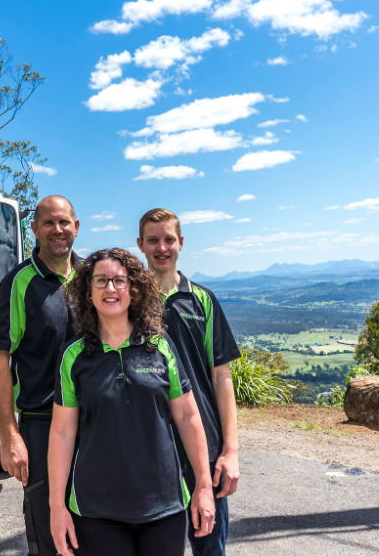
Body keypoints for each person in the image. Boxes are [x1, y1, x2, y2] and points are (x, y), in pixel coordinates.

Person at [48, 248, 215, 556]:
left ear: (134, 289)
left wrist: (203, 486)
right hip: (96, 509)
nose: (110, 289)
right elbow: (62, 433)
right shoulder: (73, 356)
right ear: (87, 291)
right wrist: (57, 507)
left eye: (119, 281)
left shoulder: (160, 347)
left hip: (164, 506)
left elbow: (189, 418)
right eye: (100, 281)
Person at [138, 208, 241, 556]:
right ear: (141, 245)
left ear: (181, 243)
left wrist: (230, 451)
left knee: (210, 549)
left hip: (204, 450)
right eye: (153, 240)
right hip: (149, 448)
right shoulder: (129, 304)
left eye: (169, 239)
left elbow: (221, 377)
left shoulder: (203, 300)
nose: (161, 247)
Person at [0, 195, 80, 556]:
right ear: (35, 230)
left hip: (94, 422)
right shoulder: (19, 283)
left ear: (76, 227)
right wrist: (9, 435)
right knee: (48, 532)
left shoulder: (91, 278)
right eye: (49, 223)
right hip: (42, 424)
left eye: (64, 222)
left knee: (96, 525)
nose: (58, 230)